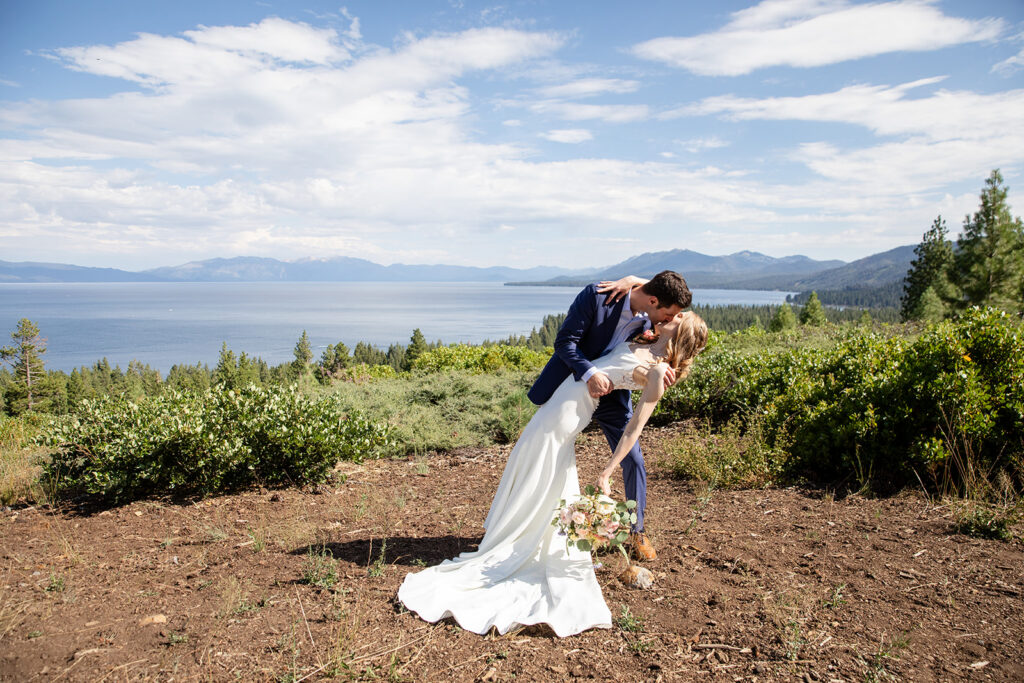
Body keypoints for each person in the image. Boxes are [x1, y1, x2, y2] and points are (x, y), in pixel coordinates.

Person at [397, 304, 707, 637]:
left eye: (678, 317)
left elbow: (634, 429)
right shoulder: (643, 337)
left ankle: (514, 541)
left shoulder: (658, 372)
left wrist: (606, 471)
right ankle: (511, 534)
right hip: (562, 397)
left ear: (681, 333)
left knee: (538, 464)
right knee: (530, 463)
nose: (669, 316)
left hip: (571, 412)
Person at [528, 271, 692, 561]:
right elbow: (565, 342)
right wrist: (633, 280)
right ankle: (533, 523)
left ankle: (636, 530)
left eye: (671, 318)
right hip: (573, 384)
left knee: (634, 460)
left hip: (613, 397)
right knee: (548, 451)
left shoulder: (651, 319)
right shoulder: (600, 296)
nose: (668, 320)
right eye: (667, 315)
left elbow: (678, 310)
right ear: (654, 301)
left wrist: (634, 280)